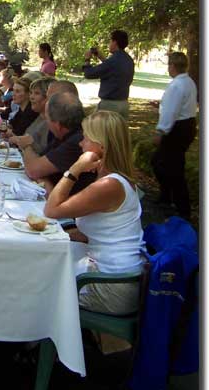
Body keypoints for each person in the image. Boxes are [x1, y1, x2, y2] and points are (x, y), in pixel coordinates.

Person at [44, 111, 145, 315]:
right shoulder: (113, 181)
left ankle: (34, 339)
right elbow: (102, 232)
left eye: (85, 138)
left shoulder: (109, 185)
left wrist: (75, 168)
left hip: (113, 287)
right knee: (45, 264)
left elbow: (52, 210)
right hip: (112, 275)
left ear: (101, 147)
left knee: (41, 282)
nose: (81, 144)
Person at [19, 91, 95, 194]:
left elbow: (33, 170)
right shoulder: (65, 133)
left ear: (57, 125)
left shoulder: (78, 141)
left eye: (47, 119)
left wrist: (26, 145)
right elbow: (40, 161)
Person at [151, 52, 197, 220]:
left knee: (173, 168)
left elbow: (172, 112)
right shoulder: (188, 82)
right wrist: (161, 105)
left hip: (178, 130)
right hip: (187, 126)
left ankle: (182, 209)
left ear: (172, 66)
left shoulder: (177, 85)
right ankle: (167, 197)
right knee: (160, 162)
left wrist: (160, 131)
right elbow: (176, 106)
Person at [82, 29, 134, 120]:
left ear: (115, 42)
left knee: (98, 131)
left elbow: (89, 74)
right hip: (124, 104)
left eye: (110, 41)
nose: (109, 44)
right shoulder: (128, 60)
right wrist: (101, 57)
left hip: (110, 106)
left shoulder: (113, 61)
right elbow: (113, 70)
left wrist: (87, 60)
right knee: (118, 133)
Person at [10, 77, 56, 154]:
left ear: (49, 97)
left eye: (37, 93)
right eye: (31, 93)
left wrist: (23, 142)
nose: (31, 97)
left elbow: (44, 153)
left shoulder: (52, 123)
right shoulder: (40, 116)